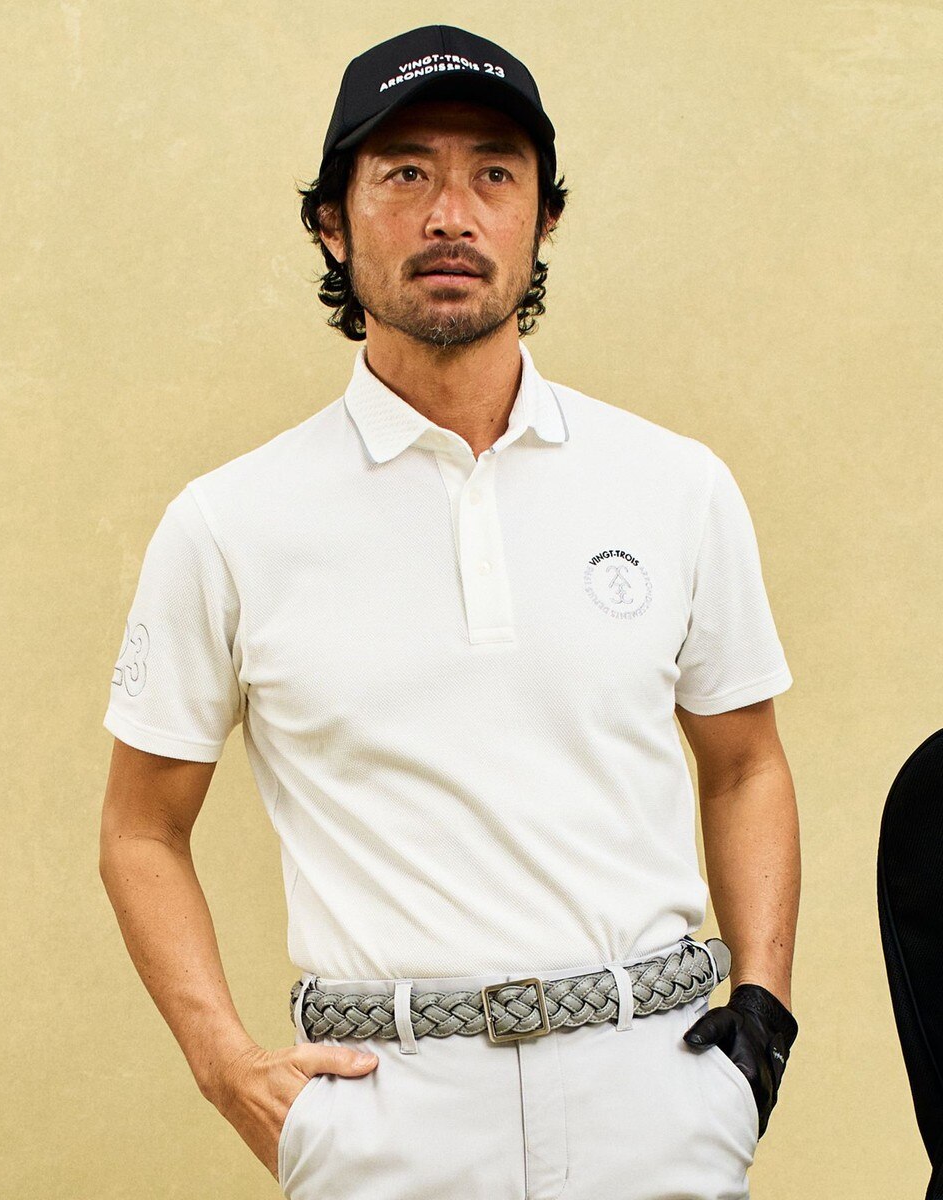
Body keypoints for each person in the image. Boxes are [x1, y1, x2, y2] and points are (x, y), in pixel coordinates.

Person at [99, 23, 801, 1200]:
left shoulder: (675, 485)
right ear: (332, 222)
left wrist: (761, 1018)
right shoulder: (229, 523)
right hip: (388, 1111)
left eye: (493, 175)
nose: (449, 216)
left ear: (543, 218)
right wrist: (226, 1065)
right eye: (404, 174)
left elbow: (744, 767)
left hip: (654, 1092)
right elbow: (139, 830)